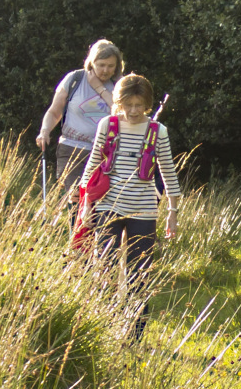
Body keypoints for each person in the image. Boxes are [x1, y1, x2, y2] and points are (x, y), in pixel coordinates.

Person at [79, 73, 181, 340]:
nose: (133, 111)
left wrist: (172, 213)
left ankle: (133, 336)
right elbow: (92, 164)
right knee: (106, 268)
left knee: (139, 273)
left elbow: (168, 172)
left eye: (139, 105)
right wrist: (85, 204)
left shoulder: (159, 132)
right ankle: (104, 330)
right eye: (128, 105)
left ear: (147, 104)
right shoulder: (107, 125)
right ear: (119, 102)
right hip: (108, 207)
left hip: (144, 209)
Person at [36, 40, 124, 217]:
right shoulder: (75, 79)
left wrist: (99, 88)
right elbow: (55, 111)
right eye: (101, 65)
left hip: (105, 154)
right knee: (77, 198)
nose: (105, 70)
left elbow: (122, 114)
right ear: (91, 62)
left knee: (99, 205)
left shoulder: (120, 85)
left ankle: (97, 242)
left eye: (110, 66)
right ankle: (76, 242)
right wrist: (45, 130)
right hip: (71, 148)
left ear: (117, 66)